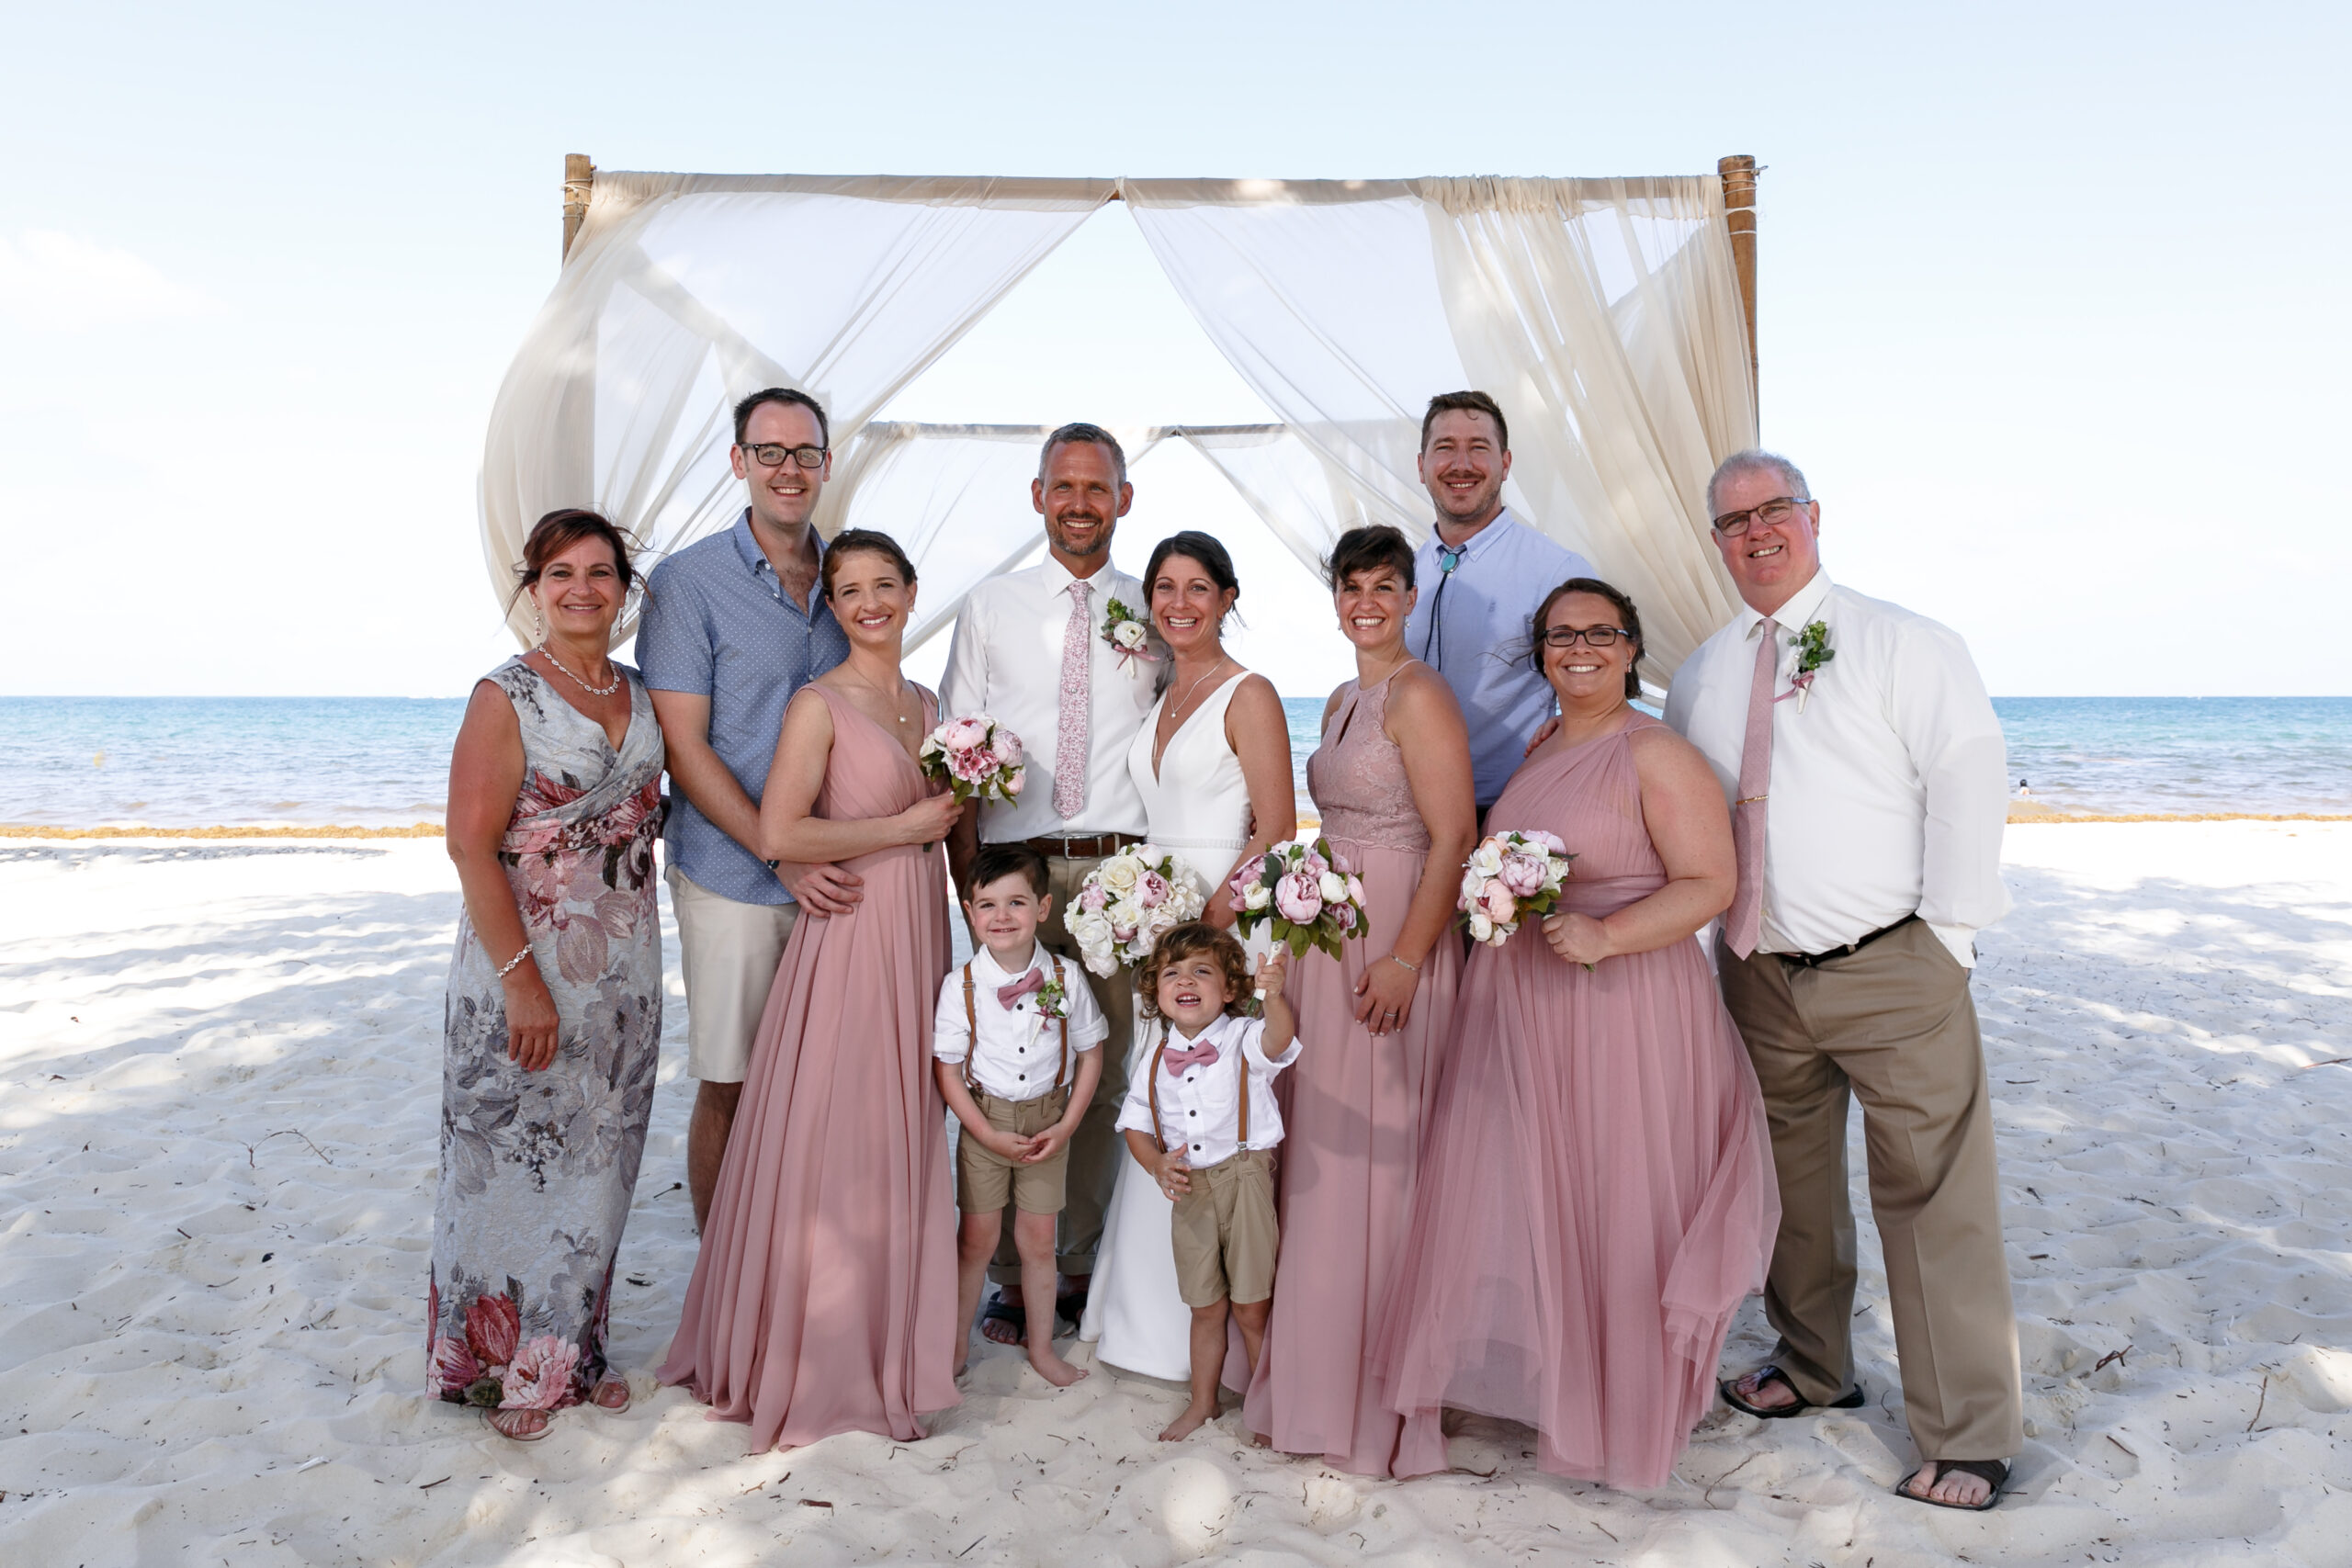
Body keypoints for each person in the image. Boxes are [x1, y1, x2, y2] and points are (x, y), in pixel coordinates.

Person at [1664, 450, 2020, 1511]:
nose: (1757, 532)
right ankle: (1815, 1366)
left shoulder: (1902, 642)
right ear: (1716, 542)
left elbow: (1968, 772)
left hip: (1891, 965)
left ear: (1813, 518)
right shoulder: (1702, 671)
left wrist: (1947, 937)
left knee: (1931, 1197)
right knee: (1792, 1192)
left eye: (1774, 511)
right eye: (1733, 521)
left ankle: (1968, 1434)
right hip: (1758, 975)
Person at [1374, 577, 1779, 1488]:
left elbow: (1709, 883)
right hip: (1526, 999)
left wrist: (1605, 934)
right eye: (1560, 636)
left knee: (1619, 1197)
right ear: (1542, 653)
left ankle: (1624, 1406)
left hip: (1624, 1004)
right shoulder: (1541, 743)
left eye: (1599, 633)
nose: (1579, 649)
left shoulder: (1655, 753)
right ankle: (1554, 1378)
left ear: (1632, 648)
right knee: (1538, 1194)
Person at [658, 529, 967, 1450]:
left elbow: (953, 836)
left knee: (905, 1121)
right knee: (837, 1122)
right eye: (849, 591)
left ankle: (892, 1337)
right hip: (853, 931)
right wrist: (904, 824)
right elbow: (783, 833)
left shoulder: (930, 703)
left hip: (921, 929)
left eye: (884, 585)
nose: (868, 603)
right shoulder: (816, 705)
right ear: (832, 608)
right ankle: (821, 1346)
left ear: (913, 593)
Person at [1242, 524, 1476, 1476]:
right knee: (1322, 1156)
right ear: (1333, 597)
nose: (1365, 600)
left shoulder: (1418, 695)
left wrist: (1408, 959)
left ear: (1410, 597)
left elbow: (1453, 834)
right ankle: (1312, 1370)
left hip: (1392, 936)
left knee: (1378, 1161)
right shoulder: (1343, 695)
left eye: (1383, 584)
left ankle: (1379, 1386)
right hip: (1328, 934)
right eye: (1350, 585)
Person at [431, 509, 665, 1442]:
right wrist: (523, 980)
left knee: (596, 1171)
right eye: (559, 572)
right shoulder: (506, 696)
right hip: (520, 969)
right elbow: (467, 844)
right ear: (532, 588)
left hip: (626, 980)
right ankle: (491, 1371)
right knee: (502, 1172)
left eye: (600, 572)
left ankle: (572, 1355)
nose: (581, 589)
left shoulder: (645, 695)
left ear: (623, 589)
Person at [938, 423, 1159, 1346]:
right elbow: (955, 745)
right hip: (1018, 866)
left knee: (1101, 1074)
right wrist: (969, 884)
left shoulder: (1157, 607)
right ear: (1037, 498)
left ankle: (1079, 1262)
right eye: (1062, 486)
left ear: (1122, 500)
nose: (1079, 502)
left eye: (1096, 487)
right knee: (1004, 1072)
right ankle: (1001, 1270)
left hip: (1119, 869)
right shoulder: (990, 606)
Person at [1080, 530, 1296, 1384]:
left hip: (1225, 911)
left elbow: (1276, 824)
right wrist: (1139, 902)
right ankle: (1147, 1323)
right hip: (1159, 912)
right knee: (1161, 1084)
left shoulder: (1252, 692)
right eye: (1164, 586)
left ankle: (1230, 1337)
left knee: (1217, 1092)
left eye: (1198, 587)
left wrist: (1210, 917)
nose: (1179, 602)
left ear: (1228, 597)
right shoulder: (1163, 689)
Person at [638, 387, 855, 1234]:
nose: (788, 469)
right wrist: (780, 851)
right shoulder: (687, 583)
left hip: (834, 876)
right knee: (731, 1082)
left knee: (819, 1086)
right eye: (770, 452)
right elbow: (685, 749)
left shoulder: (848, 578)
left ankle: (796, 1269)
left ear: (827, 464)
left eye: (805, 453)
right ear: (739, 462)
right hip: (733, 874)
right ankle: (723, 1282)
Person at [1115, 924, 1300, 1441]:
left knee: (1250, 1306)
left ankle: (1268, 1409)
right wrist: (1155, 1163)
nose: (1185, 981)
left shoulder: (1243, 1037)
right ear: (1156, 992)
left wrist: (1276, 997)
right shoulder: (1154, 1058)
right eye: (1171, 973)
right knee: (1205, 1305)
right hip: (1191, 1192)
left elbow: (1279, 1039)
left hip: (1244, 1180)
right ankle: (1204, 1402)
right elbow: (1134, 1124)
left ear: (1231, 989)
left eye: (1202, 970)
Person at [935, 843, 1108, 1387]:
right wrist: (984, 1132)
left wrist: (1067, 1125)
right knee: (977, 1241)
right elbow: (947, 1068)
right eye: (987, 905)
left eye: (1016, 903)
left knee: (1038, 1240)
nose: (1002, 917)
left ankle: (1041, 1350)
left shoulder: (1067, 977)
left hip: (1048, 1125)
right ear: (969, 911)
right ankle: (953, 1352)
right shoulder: (959, 986)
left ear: (1044, 908)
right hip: (984, 1123)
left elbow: (1091, 1052)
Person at [1400, 390, 1595, 816]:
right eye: (1445, 448)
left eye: (1479, 448)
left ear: (1505, 464)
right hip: (1406, 814)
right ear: (1421, 466)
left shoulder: (1557, 572)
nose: (1461, 464)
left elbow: (1604, 687)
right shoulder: (1400, 576)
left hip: (1509, 817)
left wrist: (1572, 726)